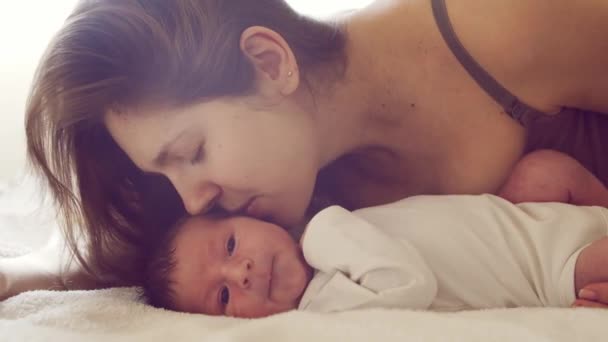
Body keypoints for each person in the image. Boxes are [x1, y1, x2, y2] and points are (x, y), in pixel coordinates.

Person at [4, 0, 608, 306]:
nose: (193, 201)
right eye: (166, 176)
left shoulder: (499, 23)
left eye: (191, 152)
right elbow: (108, 257)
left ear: (269, 62)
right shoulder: (293, 209)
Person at [141, 195, 608, 318]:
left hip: (529, 219)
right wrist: (324, 230)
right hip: (552, 267)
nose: (240, 272)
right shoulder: (325, 304)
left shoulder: (315, 234)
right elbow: (410, 284)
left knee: (541, 173)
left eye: (229, 245)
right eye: (222, 297)